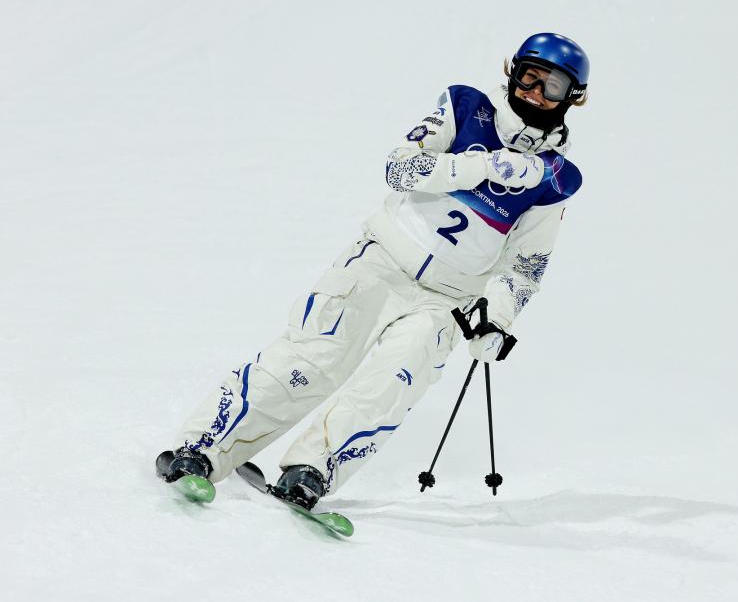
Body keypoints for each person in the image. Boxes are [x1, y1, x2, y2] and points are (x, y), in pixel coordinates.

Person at [158, 32, 590, 509]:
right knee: (309, 361)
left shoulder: (555, 179)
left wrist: (498, 317)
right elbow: (400, 170)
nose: (534, 91)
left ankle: (313, 471)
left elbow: (526, 265)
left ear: (571, 99)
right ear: (513, 72)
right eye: (530, 76)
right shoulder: (466, 108)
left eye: (551, 87)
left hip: (446, 301)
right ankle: (201, 449)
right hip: (381, 260)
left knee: (388, 386)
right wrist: (485, 166)